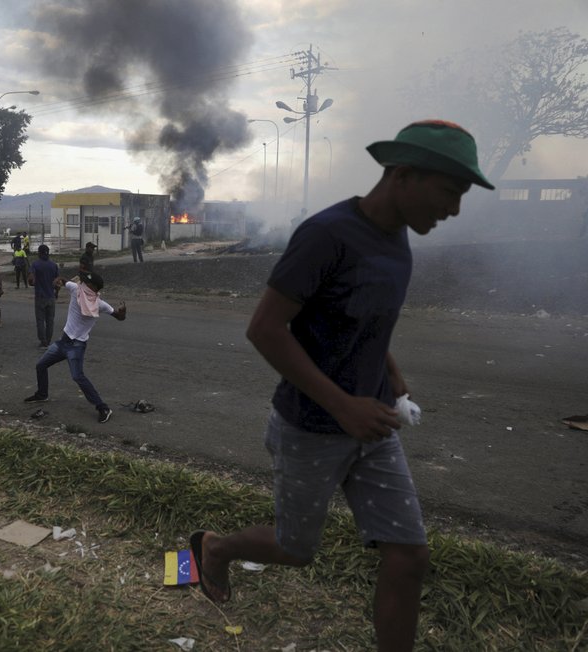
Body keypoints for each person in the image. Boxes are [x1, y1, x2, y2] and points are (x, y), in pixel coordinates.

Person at [189, 120, 494, 652]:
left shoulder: (399, 241)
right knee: (296, 547)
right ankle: (216, 549)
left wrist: (391, 375)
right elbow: (264, 329)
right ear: (403, 175)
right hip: (310, 425)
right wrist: (342, 406)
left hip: (374, 422)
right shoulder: (327, 233)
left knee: (409, 554)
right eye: (449, 192)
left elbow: (366, 320)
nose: (454, 210)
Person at [24, 271, 127, 423]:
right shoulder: (75, 289)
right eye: (83, 282)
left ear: (94, 288)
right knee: (41, 365)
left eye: (86, 283)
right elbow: (62, 279)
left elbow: (119, 317)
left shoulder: (100, 304)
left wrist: (123, 312)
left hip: (77, 346)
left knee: (78, 376)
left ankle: (103, 408)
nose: (83, 284)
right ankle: (42, 394)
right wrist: (57, 281)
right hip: (63, 342)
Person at [29, 244, 59, 347]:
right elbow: (57, 283)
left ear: (39, 253)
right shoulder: (54, 265)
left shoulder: (35, 265)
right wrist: (56, 293)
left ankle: (43, 341)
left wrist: (33, 281)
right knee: (50, 321)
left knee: (40, 320)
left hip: (40, 297)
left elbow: (31, 281)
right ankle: (48, 340)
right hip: (51, 297)